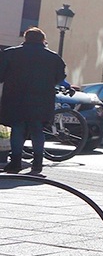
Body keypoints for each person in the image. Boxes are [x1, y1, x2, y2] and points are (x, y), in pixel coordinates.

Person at [0, 27, 67, 175]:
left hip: (16, 98)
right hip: (42, 100)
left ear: (25, 38)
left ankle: (15, 162)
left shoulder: (11, 53)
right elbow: (60, 77)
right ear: (43, 40)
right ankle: (37, 163)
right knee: (37, 130)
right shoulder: (53, 57)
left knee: (17, 128)